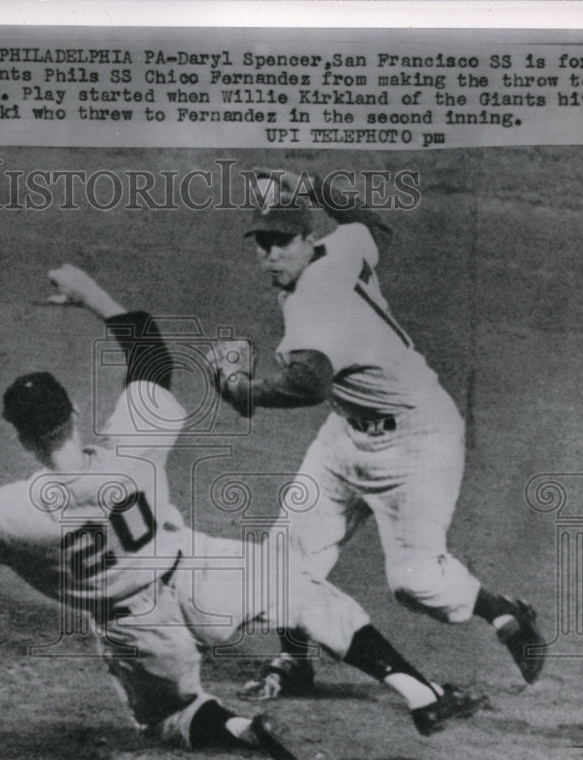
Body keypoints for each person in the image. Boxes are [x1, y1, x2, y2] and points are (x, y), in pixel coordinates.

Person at [0, 265, 482, 760]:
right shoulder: (130, 445)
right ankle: (419, 692)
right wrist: (88, 294)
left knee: (170, 717)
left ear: (20, 436)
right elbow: (152, 357)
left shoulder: (8, 514)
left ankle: (244, 728)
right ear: (72, 416)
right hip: (199, 572)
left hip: (137, 626)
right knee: (313, 597)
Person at [209, 170, 546, 702]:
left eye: (282, 243)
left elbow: (308, 383)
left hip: (418, 442)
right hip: (346, 436)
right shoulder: (339, 250)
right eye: (263, 244)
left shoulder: (314, 301)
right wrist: (314, 185)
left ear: (306, 241)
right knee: (284, 556)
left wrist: (238, 389)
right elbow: (374, 225)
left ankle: (501, 611)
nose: (271, 255)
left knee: (417, 584)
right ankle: (294, 662)